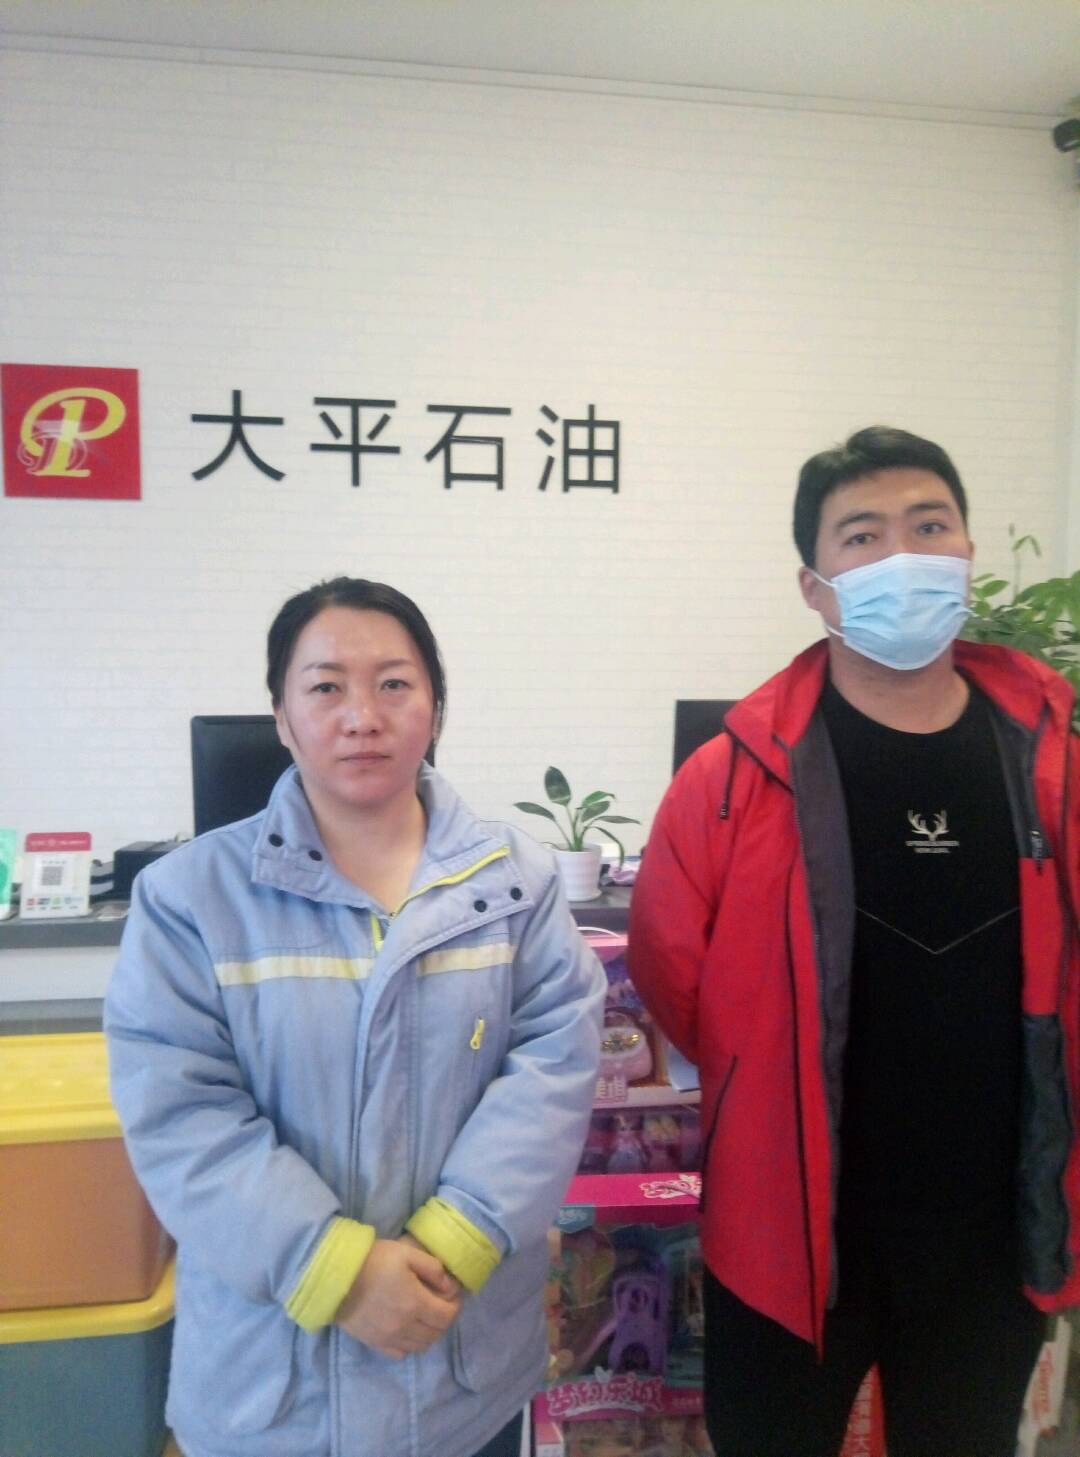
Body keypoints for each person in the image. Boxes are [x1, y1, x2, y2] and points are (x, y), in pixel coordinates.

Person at [628, 427, 1080, 1457]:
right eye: (864, 536)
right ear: (815, 585)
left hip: (992, 1236)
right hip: (785, 1235)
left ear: (967, 552)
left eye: (930, 526)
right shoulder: (732, 776)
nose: (903, 556)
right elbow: (672, 973)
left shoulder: (1050, 764)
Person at [106, 577, 605, 1457]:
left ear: (435, 707)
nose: (362, 716)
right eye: (327, 686)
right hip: (271, 1390)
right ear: (281, 716)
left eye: (394, 683)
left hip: (462, 1370)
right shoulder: (189, 898)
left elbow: (555, 1063)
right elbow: (181, 1111)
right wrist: (335, 1269)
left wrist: (456, 1237)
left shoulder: (514, 882)